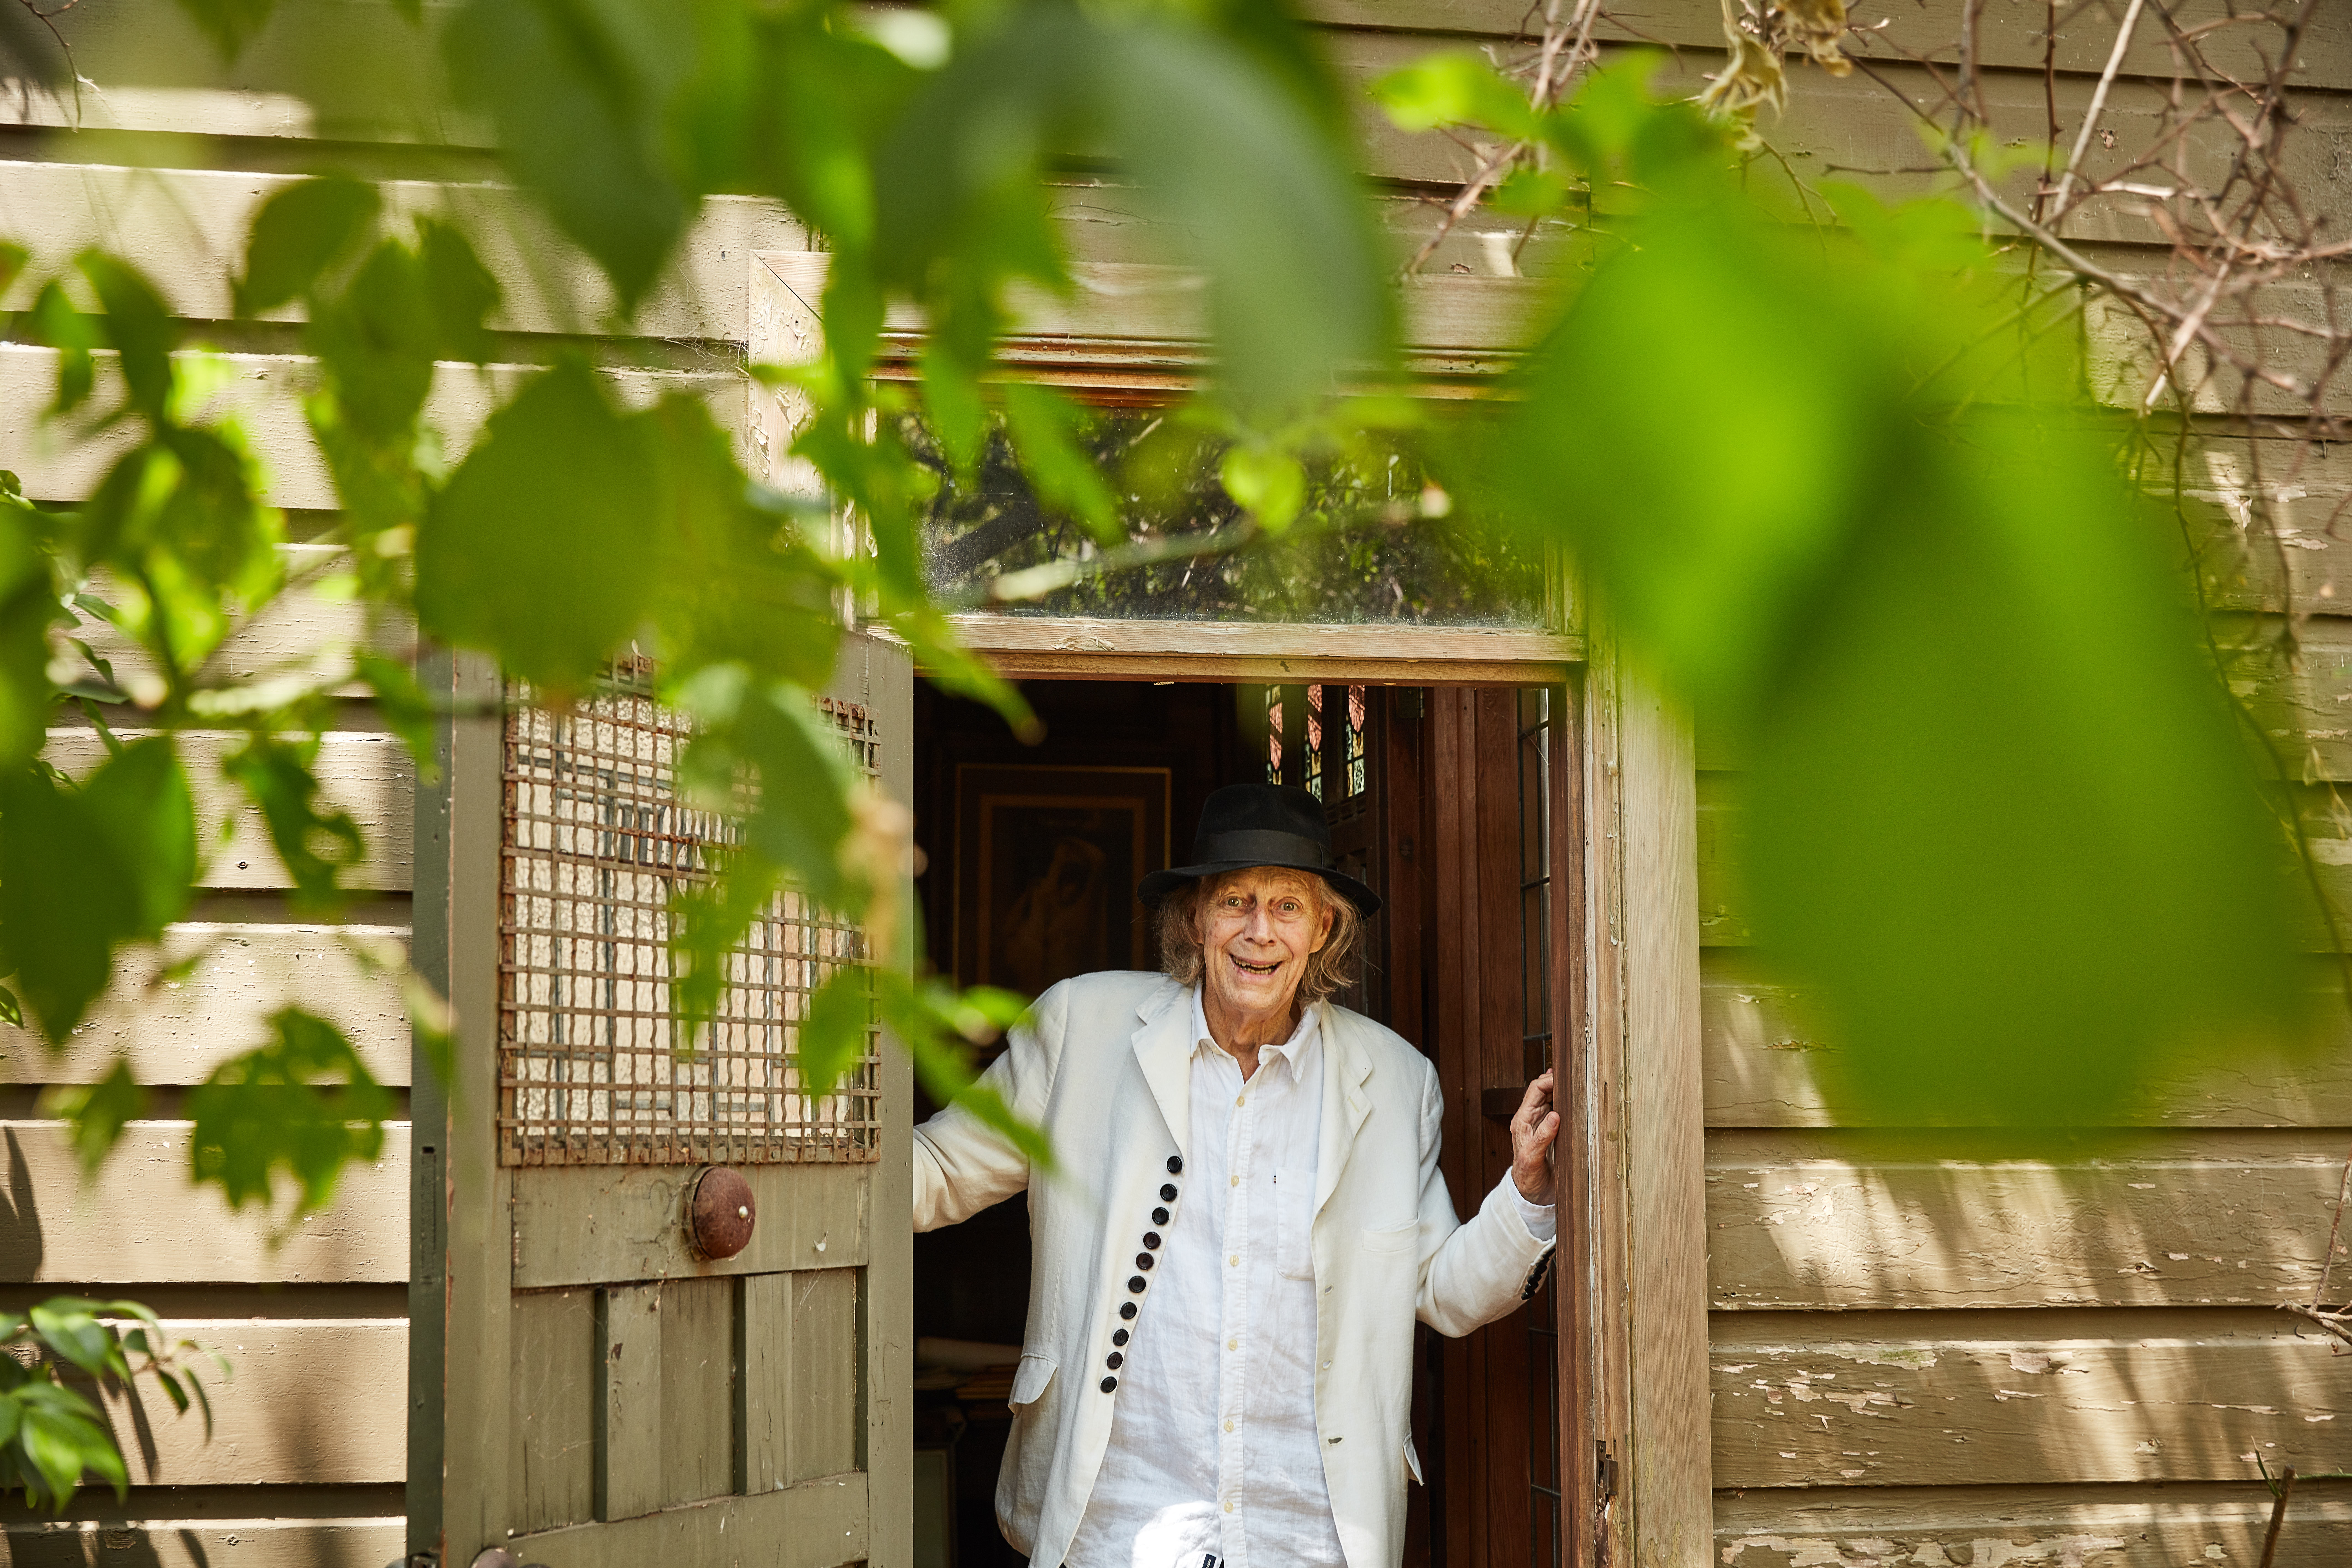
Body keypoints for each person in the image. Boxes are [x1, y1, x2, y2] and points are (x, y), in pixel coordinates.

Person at [913, 781, 1562, 1568]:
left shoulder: (1393, 1082)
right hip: (1116, 1520)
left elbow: (1441, 1289)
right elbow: (940, 1169)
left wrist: (1526, 1191)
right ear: (1195, 916)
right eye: (1236, 901)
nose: (1260, 932)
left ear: (1324, 926)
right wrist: (796, 1147)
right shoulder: (1081, 1026)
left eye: (1288, 905)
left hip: (1310, 1528)